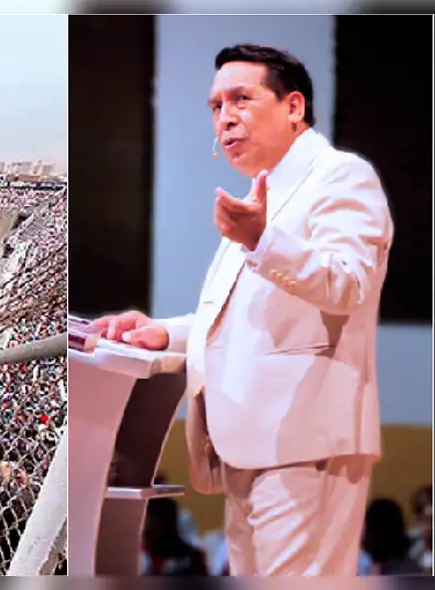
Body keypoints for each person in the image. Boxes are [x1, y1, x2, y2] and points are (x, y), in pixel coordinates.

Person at [92, 44, 393, 576]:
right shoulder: (262, 199)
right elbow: (240, 322)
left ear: (293, 106)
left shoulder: (341, 176)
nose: (225, 117)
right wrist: (163, 333)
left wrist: (260, 240)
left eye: (241, 99)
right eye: (216, 106)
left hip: (303, 443)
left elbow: (349, 282)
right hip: (245, 445)